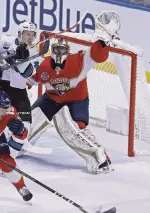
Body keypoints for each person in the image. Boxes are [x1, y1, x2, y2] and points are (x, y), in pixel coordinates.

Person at [21, 34, 115, 173]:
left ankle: (98, 155)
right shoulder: (44, 65)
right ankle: (17, 145)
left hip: (76, 100)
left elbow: (97, 55)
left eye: (62, 50)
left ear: (68, 51)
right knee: (31, 119)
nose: (59, 53)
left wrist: (102, 43)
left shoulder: (79, 60)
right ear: (52, 50)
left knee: (75, 128)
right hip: (52, 100)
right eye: (56, 49)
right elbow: (28, 82)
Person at [0, 21, 42, 136]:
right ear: (20, 34)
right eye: (27, 34)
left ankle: (17, 141)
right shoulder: (6, 41)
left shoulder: (34, 53)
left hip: (18, 90)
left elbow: (28, 73)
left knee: (25, 124)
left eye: (33, 34)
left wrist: (20, 61)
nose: (30, 37)